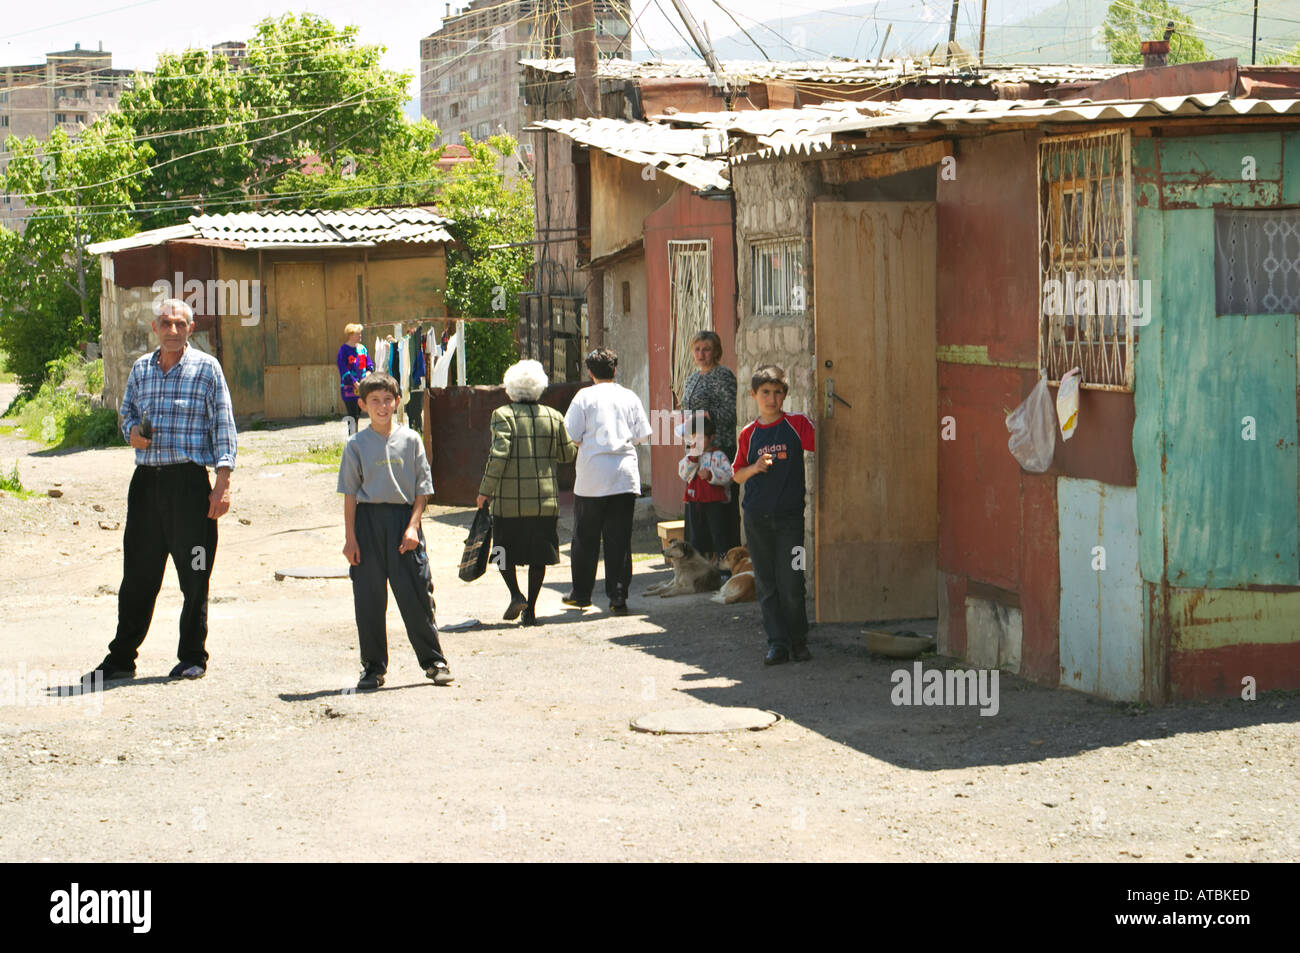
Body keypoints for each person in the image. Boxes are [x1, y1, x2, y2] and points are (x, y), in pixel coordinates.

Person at [86, 298, 237, 682]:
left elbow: (223, 426)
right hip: (146, 487)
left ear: (191, 328)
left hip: (189, 486)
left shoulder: (207, 370)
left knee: (196, 571)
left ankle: (192, 657)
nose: (172, 331)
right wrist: (132, 434)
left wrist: (222, 483)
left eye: (180, 324)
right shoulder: (140, 369)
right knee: (137, 575)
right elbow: (128, 416)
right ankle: (121, 659)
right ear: (155, 328)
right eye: (166, 324)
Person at [338, 372, 452, 690]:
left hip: (404, 523)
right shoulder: (356, 445)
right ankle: (373, 668)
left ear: (397, 402)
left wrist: (413, 527)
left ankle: (434, 662)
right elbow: (349, 494)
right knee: (369, 599)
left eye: (388, 399)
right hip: (368, 524)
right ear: (362, 405)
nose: (382, 406)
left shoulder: (410, 440)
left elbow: (422, 489)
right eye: (374, 400)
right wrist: (350, 538)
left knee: (416, 593)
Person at [476, 360, 577, 626]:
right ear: (539, 387)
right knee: (538, 557)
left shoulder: (502, 415)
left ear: (510, 387)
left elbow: (498, 456)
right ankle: (530, 610)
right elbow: (567, 454)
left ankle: (514, 593)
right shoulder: (553, 416)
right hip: (544, 503)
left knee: (500, 553)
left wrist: (485, 490)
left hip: (508, 504)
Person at [732, 364, 816, 666]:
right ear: (754, 395)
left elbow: (826, 446)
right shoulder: (748, 434)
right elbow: (737, 476)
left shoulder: (797, 424)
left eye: (778, 392)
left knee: (792, 581)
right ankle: (777, 643)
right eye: (765, 392)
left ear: (785, 395)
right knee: (766, 583)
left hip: (791, 521)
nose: (772, 398)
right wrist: (755, 467)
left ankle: (798, 640)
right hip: (756, 520)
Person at [563, 347, 653, 615]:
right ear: (615, 369)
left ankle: (581, 595)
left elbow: (573, 435)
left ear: (589, 372)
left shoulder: (583, 397)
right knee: (619, 539)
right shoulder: (629, 396)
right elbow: (642, 436)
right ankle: (618, 596)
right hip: (623, 477)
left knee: (585, 538)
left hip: (591, 477)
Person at [680, 330, 739, 564]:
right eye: (697, 349)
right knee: (696, 506)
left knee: (717, 508)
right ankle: (698, 561)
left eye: (706, 349)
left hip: (717, 449)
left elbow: (730, 412)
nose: (701, 354)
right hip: (695, 449)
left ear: (716, 351)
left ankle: (724, 561)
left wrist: (707, 415)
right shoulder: (692, 378)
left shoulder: (723, 375)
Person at [677, 411, 734, 562]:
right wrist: (693, 458)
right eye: (694, 438)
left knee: (719, 534)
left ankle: (723, 567)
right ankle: (699, 565)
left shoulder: (719, 456)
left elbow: (729, 475)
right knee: (697, 537)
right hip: (695, 503)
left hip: (715, 504)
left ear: (711, 437)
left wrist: (711, 475)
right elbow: (683, 473)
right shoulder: (691, 457)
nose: (697, 442)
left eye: (701, 438)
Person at [336, 324, 371, 422]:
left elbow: (369, 365)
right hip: (349, 388)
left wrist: (367, 374)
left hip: (362, 386)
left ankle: (356, 436)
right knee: (352, 416)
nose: (360, 335)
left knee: (358, 414)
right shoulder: (343, 350)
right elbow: (343, 369)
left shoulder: (362, 349)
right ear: (350, 335)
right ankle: (352, 436)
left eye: (360, 333)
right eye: (357, 334)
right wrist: (355, 383)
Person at [405, 322, 427, 434]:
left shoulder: (416, 344)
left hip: (416, 384)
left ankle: (418, 431)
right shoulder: (407, 344)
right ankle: (414, 430)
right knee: (410, 411)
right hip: (410, 384)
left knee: (415, 410)